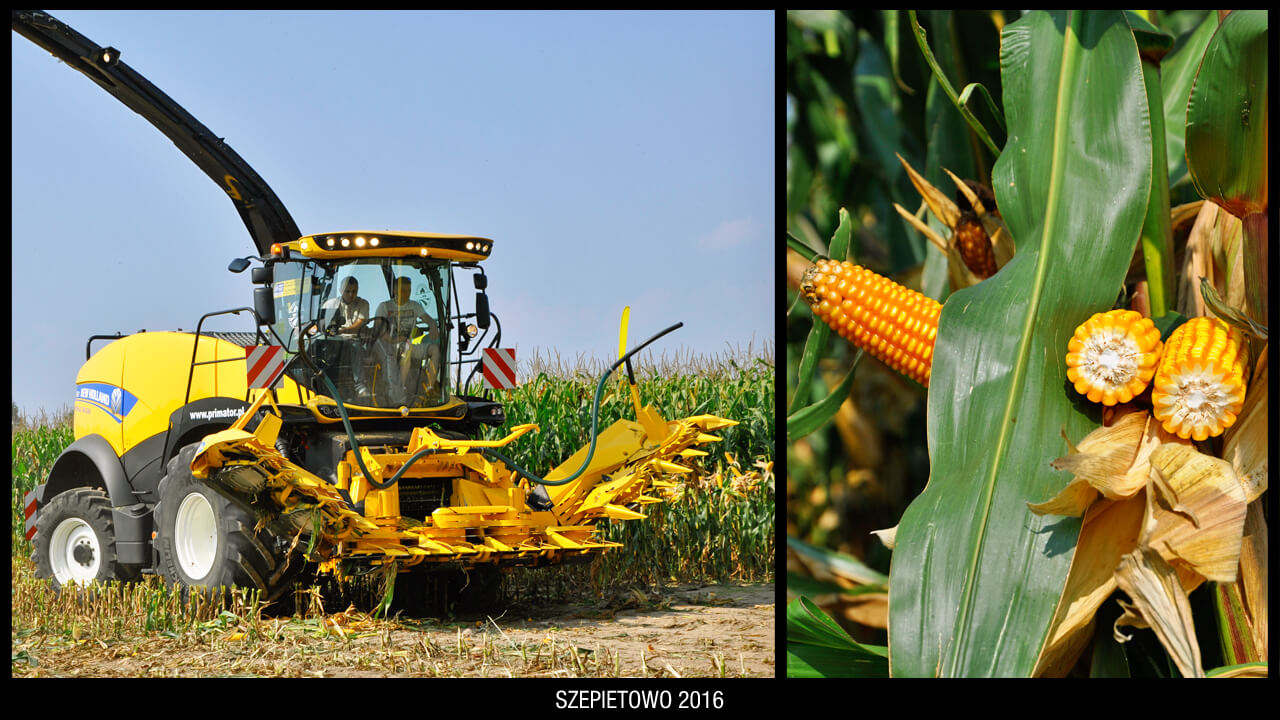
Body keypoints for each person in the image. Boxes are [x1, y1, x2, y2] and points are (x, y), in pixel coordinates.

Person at [373, 276, 441, 405]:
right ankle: (400, 390)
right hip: (388, 347)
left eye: (408, 290)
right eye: (403, 290)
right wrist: (396, 339)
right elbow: (379, 332)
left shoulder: (414, 306)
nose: (406, 293)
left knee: (435, 349)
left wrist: (433, 326)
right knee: (407, 349)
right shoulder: (385, 307)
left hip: (406, 344)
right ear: (394, 291)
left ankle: (429, 388)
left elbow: (428, 319)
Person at [319, 276, 371, 400]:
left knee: (355, 345)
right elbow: (322, 325)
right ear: (341, 290)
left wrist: (342, 330)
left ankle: (360, 386)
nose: (351, 294)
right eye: (347, 291)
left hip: (356, 339)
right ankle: (325, 384)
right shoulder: (330, 304)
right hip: (334, 341)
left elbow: (359, 325)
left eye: (354, 291)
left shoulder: (363, 303)